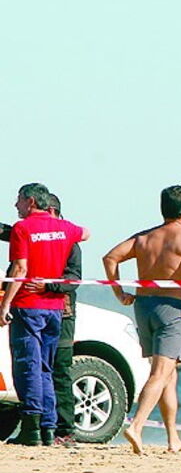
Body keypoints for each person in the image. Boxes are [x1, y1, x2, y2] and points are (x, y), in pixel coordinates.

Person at [102, 185, 181, 455]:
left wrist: (118, 292)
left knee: (169, 375)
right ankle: (136, 426)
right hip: (172, 308)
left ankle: (173, 438)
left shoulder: (144, 239)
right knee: (160, 373)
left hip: (143, 307)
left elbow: (110, 257)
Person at [0, 183, 89, 446]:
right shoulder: (65, 229)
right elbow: (86, 233)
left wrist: (6, 304)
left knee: (27, 366)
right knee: (46, 369)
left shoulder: (23, 228)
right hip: (55, 309)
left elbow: (19, 268)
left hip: (29, 304)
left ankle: (32, 427)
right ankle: (49, 428)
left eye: (18, 200)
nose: (15, 205)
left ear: (29, 201)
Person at [18, 194, 83, 447]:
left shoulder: (69, 241)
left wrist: (48, 285)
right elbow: (15, 234)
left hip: (62, 312)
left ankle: (64, 429)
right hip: (47, 308)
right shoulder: (35, 235)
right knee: (40, 368)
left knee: (58, 370)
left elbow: (73, 279)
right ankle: (47, 426)